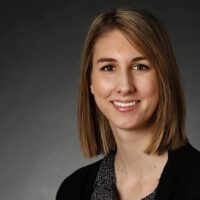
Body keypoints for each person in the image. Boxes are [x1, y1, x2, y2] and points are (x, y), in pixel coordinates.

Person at [56, 8, 200, 200]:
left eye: (140, 66)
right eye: (109, 68)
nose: (125, 86)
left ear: (164, 78)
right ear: (90, 83)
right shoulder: (72, 190)